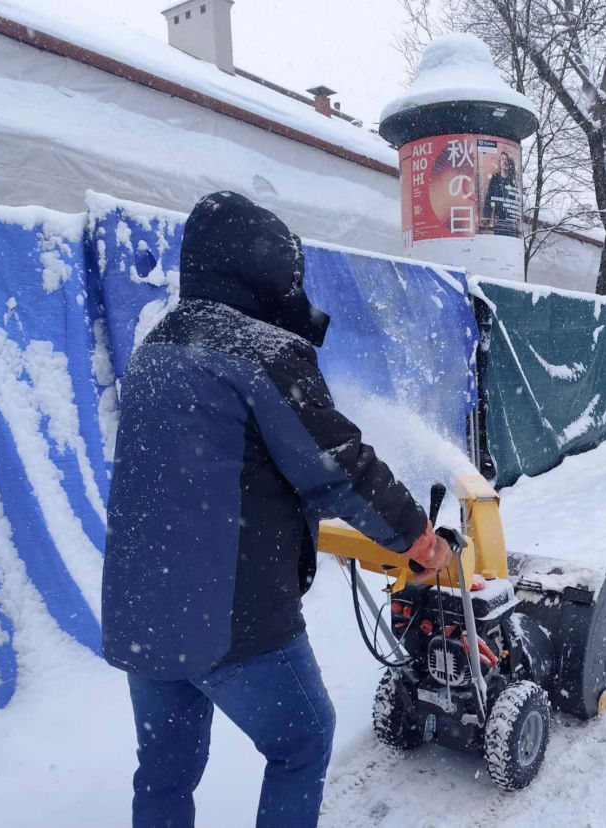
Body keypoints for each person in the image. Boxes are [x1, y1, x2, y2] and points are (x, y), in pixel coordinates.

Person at [101, 191, 452, 828]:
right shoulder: (261, 352)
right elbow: (341, 467)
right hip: (228, 617)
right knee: (304, 740)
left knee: (164, 771)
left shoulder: (154, 348)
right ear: (262, 270)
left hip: (142, 611)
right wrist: (418, 538)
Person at [481, 150, 522, 236]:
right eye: (503, 159)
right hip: (499, 220)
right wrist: (486, 215)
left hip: (510, 222)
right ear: (500, 163)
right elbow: (489, 198)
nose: (505, 161)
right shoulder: (495, 179)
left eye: (506, 159)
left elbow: (516, 202)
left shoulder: (512, 181)